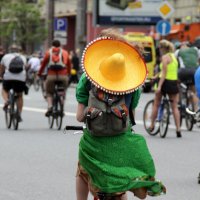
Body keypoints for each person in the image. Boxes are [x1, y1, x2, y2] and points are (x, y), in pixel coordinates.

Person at [75, 28, 166, 200]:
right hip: (121, 140)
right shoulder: (133, 83)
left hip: (94, 141)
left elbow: (80, 117)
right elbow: (130, 117)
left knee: (82, 171)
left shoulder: (87, 79)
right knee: (120, 184)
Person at [149, 39, 181, 137]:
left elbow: (164, 73)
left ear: (162, 48)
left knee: (156, 104)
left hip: (165, 82)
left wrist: (159, 86)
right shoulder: (174, 57)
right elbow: (168, 70)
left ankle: (152, 125)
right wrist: (156, 75)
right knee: (174, 107)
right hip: (173, 83)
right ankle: (178, 129)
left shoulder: (164, 57)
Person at [38, 40, 71, 116]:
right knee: (63, 91)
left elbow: (43, 65)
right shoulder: (65, 52)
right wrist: (68, 73)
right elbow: (69, 64)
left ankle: (50, 106)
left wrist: (39, 73)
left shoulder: (48, 52)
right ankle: (62, 102)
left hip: (51, 76)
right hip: (63, 76)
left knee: (49, 92)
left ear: (52, 45)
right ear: (60, 45)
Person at [0, 44, 27, 122]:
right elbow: (25, 68)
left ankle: (6, 101)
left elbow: (1, 68)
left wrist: (1, 75)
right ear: (18, 50)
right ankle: (19, 114)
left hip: (8, 77)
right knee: (20, 95)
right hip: (21, 78)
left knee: (4, 89)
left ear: (9, 50)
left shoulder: (5, 57)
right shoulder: (23, 57)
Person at [175, 41, 200, 111]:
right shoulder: (195, 49)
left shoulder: (178, 51)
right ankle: (195, 110)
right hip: (194, 71)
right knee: (193, 92)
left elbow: (174, 62)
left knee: (176, 83)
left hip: (183, 72)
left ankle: (179, 102)